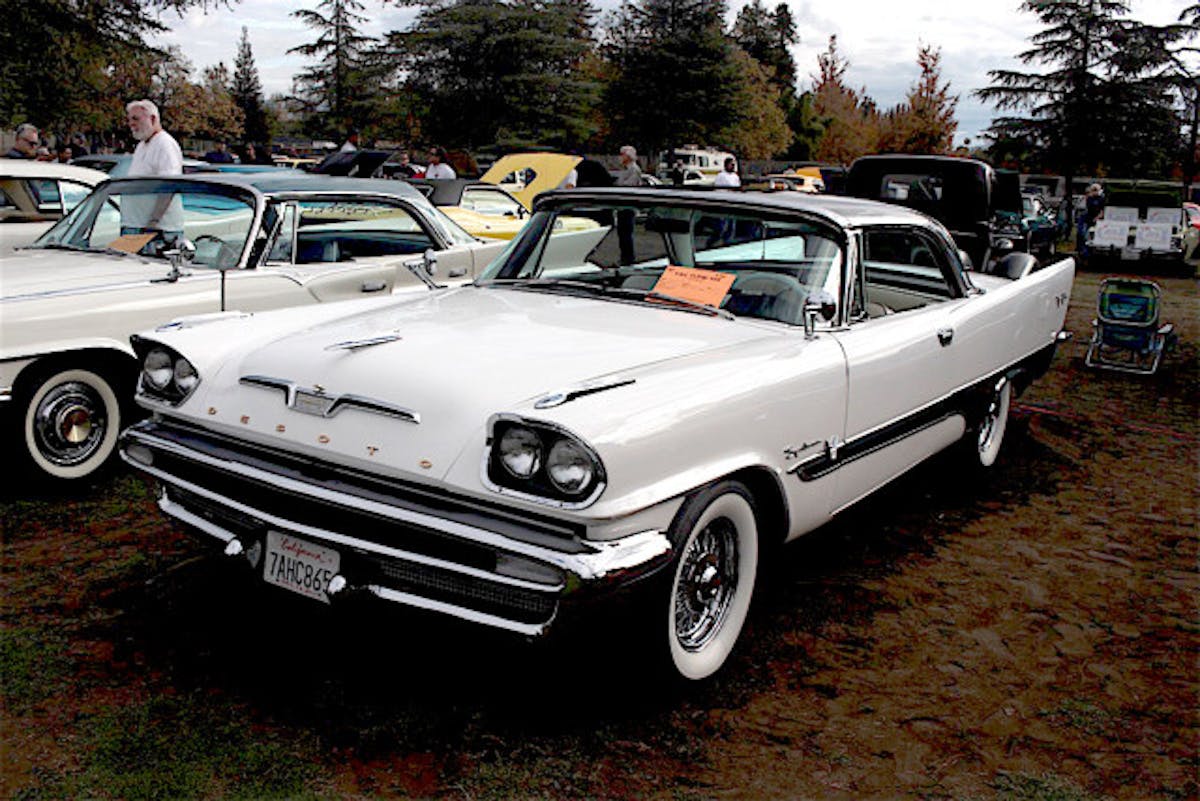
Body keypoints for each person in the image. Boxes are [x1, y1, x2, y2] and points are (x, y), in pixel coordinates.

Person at [121, 99, 184, 245]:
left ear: (153, 118)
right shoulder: (141, 146)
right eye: (129, 119)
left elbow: (169, 186)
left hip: (157, 230)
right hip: (135, 226)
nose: (131, 124)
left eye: (136, 119)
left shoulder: (165, 144)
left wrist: (153, 222)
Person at [1076, 183, 1104, 254]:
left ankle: (1091, 250)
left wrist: (1097, 218)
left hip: (1097, 218)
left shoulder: (1101, 199)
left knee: (1092, 234)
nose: (1094, 191)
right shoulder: (1089, 198)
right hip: (1089, 217)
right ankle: (1082, 249)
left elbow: (1102, 211)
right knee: (1082, 233)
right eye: (1093, 190)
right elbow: (1088, 208)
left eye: (1095, 190)